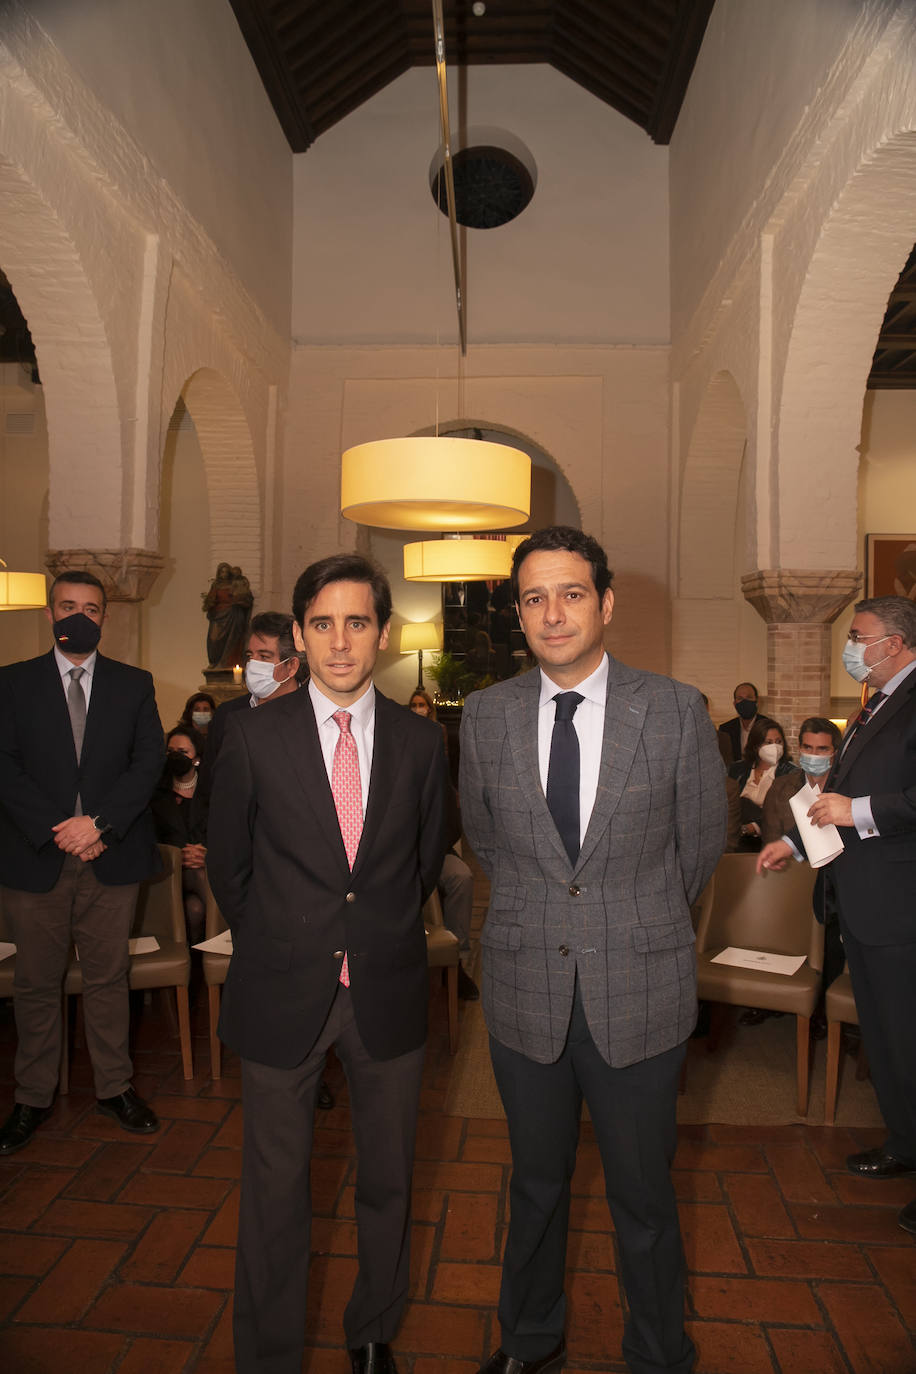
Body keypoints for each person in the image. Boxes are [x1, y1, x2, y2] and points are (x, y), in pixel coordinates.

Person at [459, 526, 726, 1374]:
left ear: (605, 603)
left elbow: (699, 845)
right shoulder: (487, 715)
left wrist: (629, 920)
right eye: (534, 597)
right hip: (524, 986)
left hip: (640, 989)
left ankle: (658, 1353)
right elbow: (488, 843)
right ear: (518, 615)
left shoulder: (676, 708)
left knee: (643, 1197)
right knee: (534, 1188)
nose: (553, 612)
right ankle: (529, 1337)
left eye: (571, 593)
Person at [207, 553, 448, 1374]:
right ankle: (268, 1353)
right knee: (276, 1193)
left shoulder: (422, 741)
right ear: (299, 637)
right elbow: (231, 869)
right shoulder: (249, 734)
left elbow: (419, 865)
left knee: (388, 1180)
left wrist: (366, 932)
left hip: (385, 989)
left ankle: (373, 1329)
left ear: (382, 633)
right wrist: (287, 940)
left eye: (356, 622)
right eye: (321, 624)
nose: (340, 642)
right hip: (282, 991)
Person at [758, 595, 916, 1241]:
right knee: (886, 1042)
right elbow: (832, 797)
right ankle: (904, 1142)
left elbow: (862, 805)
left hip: (903, 906)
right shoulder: (872, 705)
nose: (851, 646)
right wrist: (794, 843)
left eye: (859, 636)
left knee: (912, 1044)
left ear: (897, 642)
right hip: (864, 904)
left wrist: (864, 813)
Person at [0, 571, 164, 1155]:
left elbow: (148, 763)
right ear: (49, 613)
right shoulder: (13, 684)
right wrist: (61, 831)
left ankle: (115, 1087)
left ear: (104, 617)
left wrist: (97, 824)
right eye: (68, 606)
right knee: (37, 983)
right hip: (35, 855)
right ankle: (32, 1097)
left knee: (107, 979)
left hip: (109, 853)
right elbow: (5, 766)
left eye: (91, 609)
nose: (79, 617)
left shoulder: (133, 683)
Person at [407, 689, 478, 1000]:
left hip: (434, 854)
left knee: (461, 876)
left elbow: (450, 824)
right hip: (396, 859)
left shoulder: (440, 778)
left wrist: (431, 852)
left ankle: (456, 962)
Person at [150, 725, 209, 944]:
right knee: (198, 876)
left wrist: (206, 853)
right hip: (168, 872)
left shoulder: (212, 792)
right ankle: (234, 934)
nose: (175, 756)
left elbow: (225, 834)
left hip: (207, 866)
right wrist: (177, 855)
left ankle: (195, 971)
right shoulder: (155, 795)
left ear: (197, 758)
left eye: (183, 752)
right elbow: (152, 838)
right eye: (170, 751)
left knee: (194, 909)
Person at [725, 716, 798, 852]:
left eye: (778, 742)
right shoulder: (736, 770)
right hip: (735, 839)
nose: (774, 747)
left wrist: (753, 827)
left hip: (771, 841)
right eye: (768, 742)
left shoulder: (792, 774)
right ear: (756, 745)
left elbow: (788, 816)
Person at [202, 561, 252, 670]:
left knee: (232, 639)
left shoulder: (235, 584)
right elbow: (211, 600)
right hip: (218, 616)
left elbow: (244, 597)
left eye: (226, 572)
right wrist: (208, 602)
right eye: (221, 572)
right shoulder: (216, 585)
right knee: (213, 639)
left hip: (232, 615)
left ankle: (228, 663)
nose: (223, 574)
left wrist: (239, 600)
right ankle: (215, 662)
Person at [717, 681, 759, 766]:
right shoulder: (725, 729)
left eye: (749, 697)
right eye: (740, 698)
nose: (745, 702)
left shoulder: (768, 726)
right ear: (734, 704)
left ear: (757, 701)